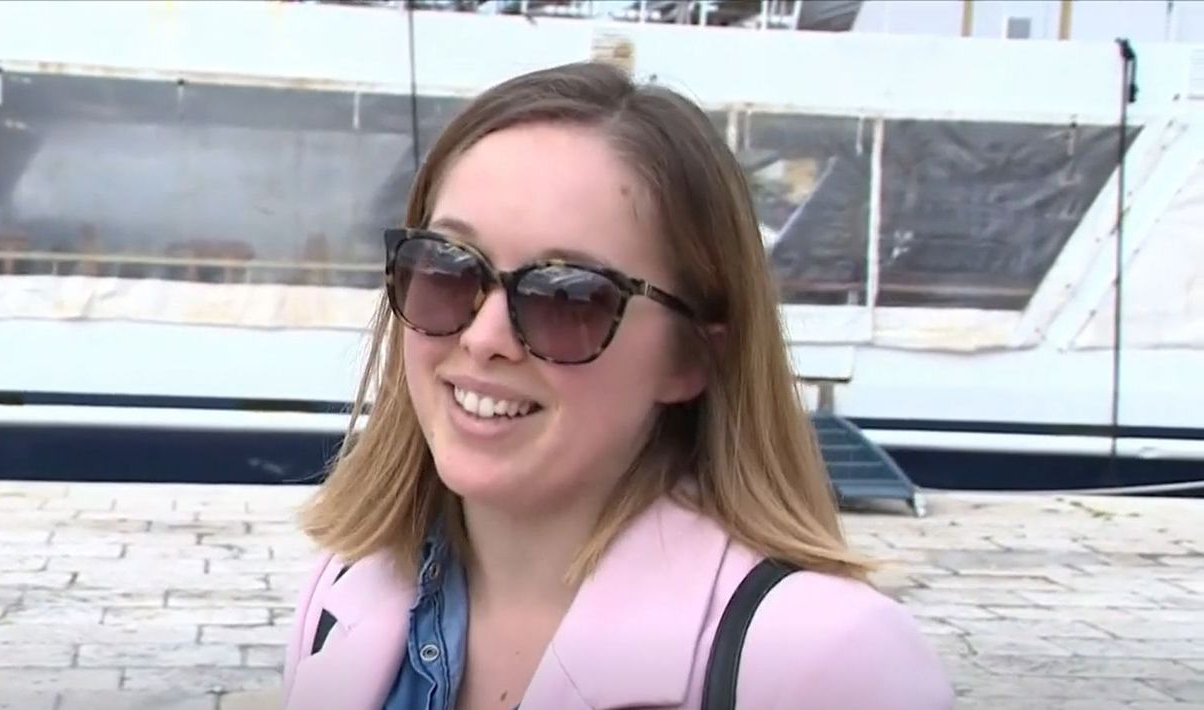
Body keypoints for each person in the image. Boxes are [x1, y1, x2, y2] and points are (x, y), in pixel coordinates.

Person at [280, 61, 953, 710]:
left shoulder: (829, 663)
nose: (484, 338)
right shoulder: (344, 590)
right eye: (447, 269)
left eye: (567, 297)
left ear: (690, 356)